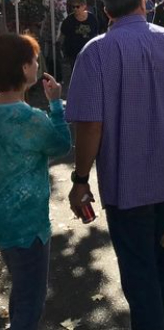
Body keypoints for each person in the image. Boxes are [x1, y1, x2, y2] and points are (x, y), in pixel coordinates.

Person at [65, 0, 164, 330]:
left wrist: (81, 179)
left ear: (106, 10)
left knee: (139, 273)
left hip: (124, 182)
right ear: (144, 2)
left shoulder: (95, 52)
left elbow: (89, 125)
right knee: (162, 263)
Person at [0, 35, 70, 330]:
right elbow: (61, 144)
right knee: (30, 301)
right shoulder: (31, 119)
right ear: (22, 68)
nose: (37, 64)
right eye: (33, 59)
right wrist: (56, 104)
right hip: (27, 225)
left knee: (21, 290)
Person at [59, 0, 100, 96]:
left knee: (89, 72)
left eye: (77, 7)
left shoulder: (92, 18)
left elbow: (96, 33)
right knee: (76, 72)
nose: (75, 9)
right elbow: (63, 34)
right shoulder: (69, 20)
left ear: (84, 6)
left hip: (89, 51)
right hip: (74, 52)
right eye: (73, 7)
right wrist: (60, 46)